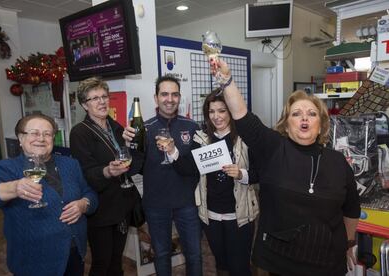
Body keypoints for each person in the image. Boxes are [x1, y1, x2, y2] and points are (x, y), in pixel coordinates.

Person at [210, 59, 361, 276]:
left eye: (311, 113)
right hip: (280, 260)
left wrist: (348, 243)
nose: (304, 118)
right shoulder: (273, 149)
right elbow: (242, 117)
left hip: (327, 261)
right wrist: (226, 79)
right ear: (286, 124)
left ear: (321, 125)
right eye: (296, 113)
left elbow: (351, 208)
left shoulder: (338, 162)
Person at [0, 114, 98, 276]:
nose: (41, 138)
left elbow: (90, 193)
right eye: (34, 133)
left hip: (74, 253)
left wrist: (84, 204)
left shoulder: (70, 164)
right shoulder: (8, 168)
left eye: (47, 134)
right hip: (34, 262)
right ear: (20, 138)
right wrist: (14, 187)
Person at [166, 89, 260, 275]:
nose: (217, 116)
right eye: (212, 111)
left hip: (239, 215)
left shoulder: (244, 137)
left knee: (240, 266)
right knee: (221, 264)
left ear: (231, 111)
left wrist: (241, 174)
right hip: (211, 215)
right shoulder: (201, 139)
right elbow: (188, 168)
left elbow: (260, 172)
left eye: (222, 111)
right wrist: (171, 151)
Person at [123, 75, 202, 276]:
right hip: (156, 204)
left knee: (194, 254)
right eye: (164, 94)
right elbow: (133, 170)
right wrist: (130, 146)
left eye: (174, 94)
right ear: (156, 98)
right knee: (162, 254)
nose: (170, 99)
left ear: (179, 97)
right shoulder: (144, 129)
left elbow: (197, 166)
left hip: (187, 203)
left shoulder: (192, 127)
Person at [69, 77, 143, 276]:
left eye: (104, 96)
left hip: (122, 206)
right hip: (100, 208)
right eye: (94, 98)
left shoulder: (118, 128)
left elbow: (133, 164)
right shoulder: (79, 133)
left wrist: (136, 143)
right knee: (102, 263)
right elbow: (86, 173)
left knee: (116, 262)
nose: (101, 102)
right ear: (85, 104)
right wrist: (108, 171)